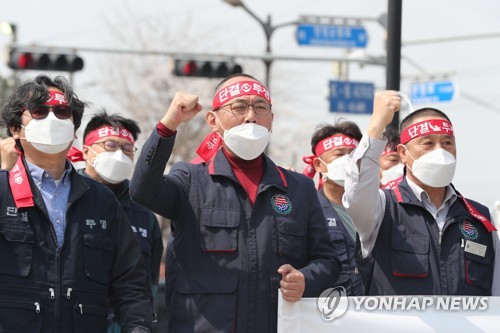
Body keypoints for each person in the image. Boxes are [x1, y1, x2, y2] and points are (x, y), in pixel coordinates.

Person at [129, 73, 340, 332]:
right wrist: (168, 126)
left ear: (271, 120)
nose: (250, 116)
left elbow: (328, 260)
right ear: (213, 121)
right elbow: (142, 190)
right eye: (239, 107)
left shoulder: (298, 188)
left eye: (260, 108)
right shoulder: (190, 180)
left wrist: (305, 279)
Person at [0, 75, 152, 332]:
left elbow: (130, 284)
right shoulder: (2, 192)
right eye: (39, 112)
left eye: (62, 112)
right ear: (16, 129)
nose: (52, 120)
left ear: (74, 129)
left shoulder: (102, 200)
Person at [343, 90, 500, 295]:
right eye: (428, 143)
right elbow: (358, 188)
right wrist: (376, 124)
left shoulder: (480, 217)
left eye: (447, 143)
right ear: (403, 154)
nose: (440, 151)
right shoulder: (382, 208)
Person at [72, 110, 164, 332]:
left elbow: (147, 284)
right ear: (87, 151)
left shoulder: (145, 216)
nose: (120, 154)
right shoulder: (67, 200)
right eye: (111, 145)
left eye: (127, 148)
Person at [302, 121, 364, 295]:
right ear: (318, 165)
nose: (348, 160)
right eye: (339, 154)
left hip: (373, 310)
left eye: (352, 154)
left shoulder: (377, 207)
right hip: (330, 311)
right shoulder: (308, 210)